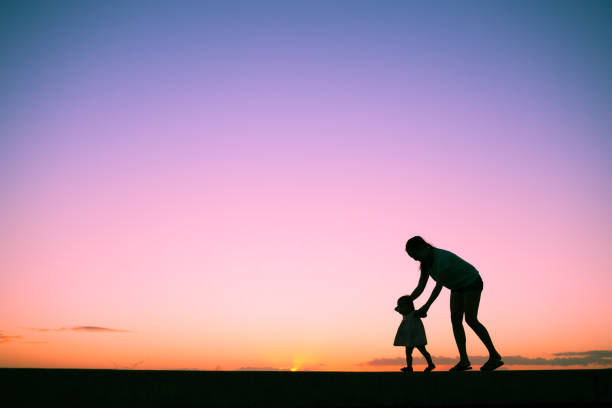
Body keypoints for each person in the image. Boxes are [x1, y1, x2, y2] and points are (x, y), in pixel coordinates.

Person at [405, 236, 503, 371]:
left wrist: (426, 307)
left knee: (471, 319)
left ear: (423, 248)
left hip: (471, 281)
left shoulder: (441, 258)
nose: (415, 259)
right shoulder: (425, 263)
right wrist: (407, 301)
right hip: (457, 287)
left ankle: (494, 356)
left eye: (415, 255)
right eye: (412, 257)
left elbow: (438, 286)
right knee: (455, 321)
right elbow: (421, 287)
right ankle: (464, 360)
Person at [393, 295, 436, 372]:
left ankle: (430, 364)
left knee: (423, 351)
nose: (400, 308)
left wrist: (422, 312)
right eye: (400, 306)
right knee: (408, 352)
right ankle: (409, 367)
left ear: (410, 306)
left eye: (402, 306)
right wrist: (399, 307)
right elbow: (397, 309)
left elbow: (423, 314)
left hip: (416, 336)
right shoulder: (405, 315)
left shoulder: (414, 313)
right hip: (409, 337)